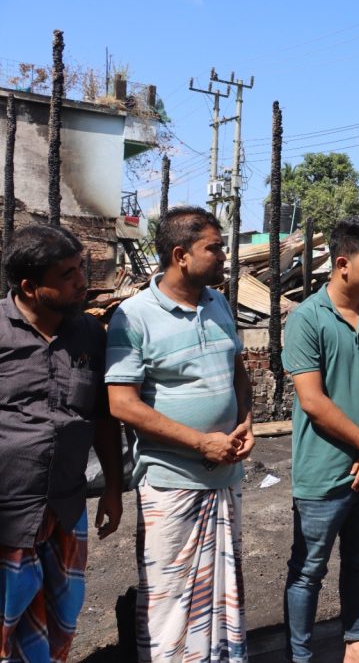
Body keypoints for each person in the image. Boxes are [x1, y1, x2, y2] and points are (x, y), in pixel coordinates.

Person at [107, 207, 253, 663]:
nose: (225, 255)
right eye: (214, 247)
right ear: (180, 255)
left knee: (221, 594)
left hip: (222, 479)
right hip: (170, 483)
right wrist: (199, 442)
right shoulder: (134, 316)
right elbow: (122, 404)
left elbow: (237, 369)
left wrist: (245, 421)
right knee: (170, 598)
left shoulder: (219, 303)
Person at [282, 217, 359, 663]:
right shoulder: (306, 320)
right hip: (323, 470)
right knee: (308, 570)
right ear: (342, 264)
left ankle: (356, 643)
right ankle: (301, 656)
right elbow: (313, 401)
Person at [0, 225, 123, 663]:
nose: (81, 281)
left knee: (60, 624)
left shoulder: (90, 335)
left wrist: (111, 487)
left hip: (66, 507)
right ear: (31, 287)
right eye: (68, 274)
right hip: (8, 510)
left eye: (80, 268)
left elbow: (104, 420)